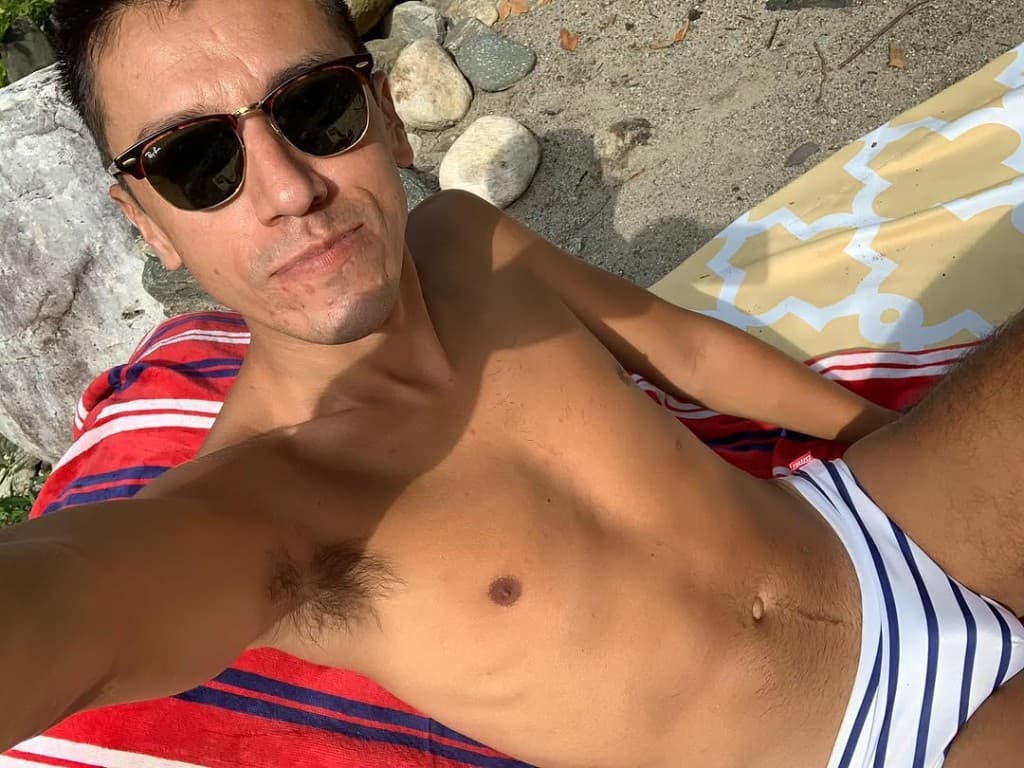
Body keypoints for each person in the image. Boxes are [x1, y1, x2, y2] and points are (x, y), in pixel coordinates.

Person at [2, 0, 1022, 766]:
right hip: (850, 744)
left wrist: (886, 432)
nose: (289, 188)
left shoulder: (465, 240)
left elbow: (684, 352)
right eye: (194, 161)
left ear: (387, 115)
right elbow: (64, 607)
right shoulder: (263, 506)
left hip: (865, 527)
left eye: (315, 106)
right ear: (146, 221)